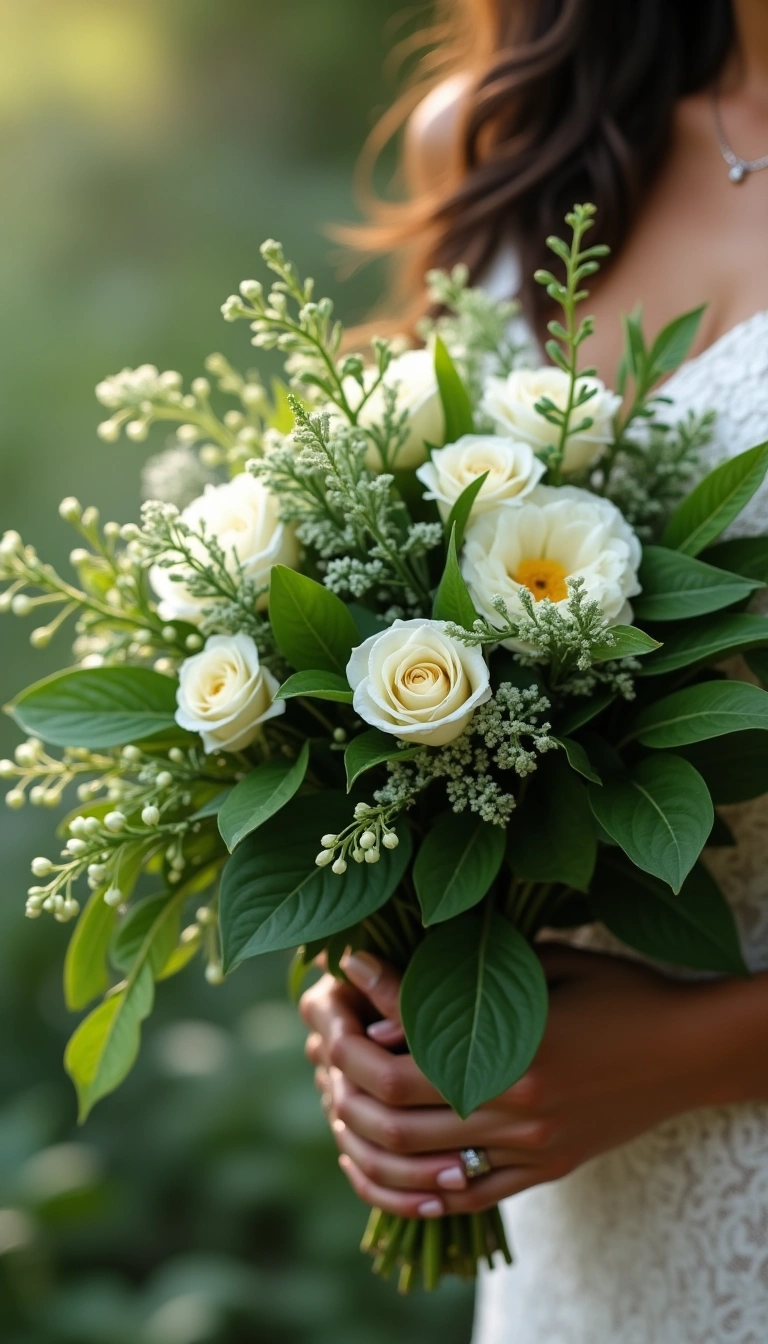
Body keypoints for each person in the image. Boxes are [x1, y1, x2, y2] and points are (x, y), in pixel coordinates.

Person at [301, 2, 768, 1338]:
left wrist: (693, 1054)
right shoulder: (515, 130)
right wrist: (377, 983)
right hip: (582, 1250)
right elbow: (388, 575)